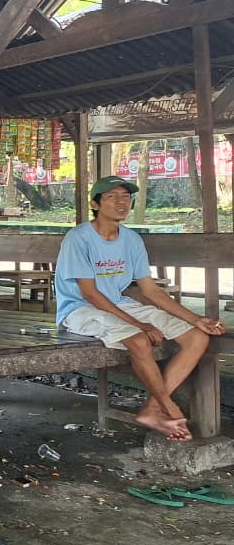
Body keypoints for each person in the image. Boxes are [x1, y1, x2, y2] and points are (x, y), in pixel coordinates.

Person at [55, 176, 223, 440]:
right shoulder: (78, 238)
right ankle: (169, 407)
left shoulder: (132, 240)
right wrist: (139, 325)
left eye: (126, 196)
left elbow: (150, 290)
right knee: (140, 340)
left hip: (120, 304)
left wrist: (196, 319)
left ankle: (153, 408)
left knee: (197, 338)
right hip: (80, 309)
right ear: (95, 204)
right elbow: (90, 293)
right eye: (111, 197)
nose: (121, 202)